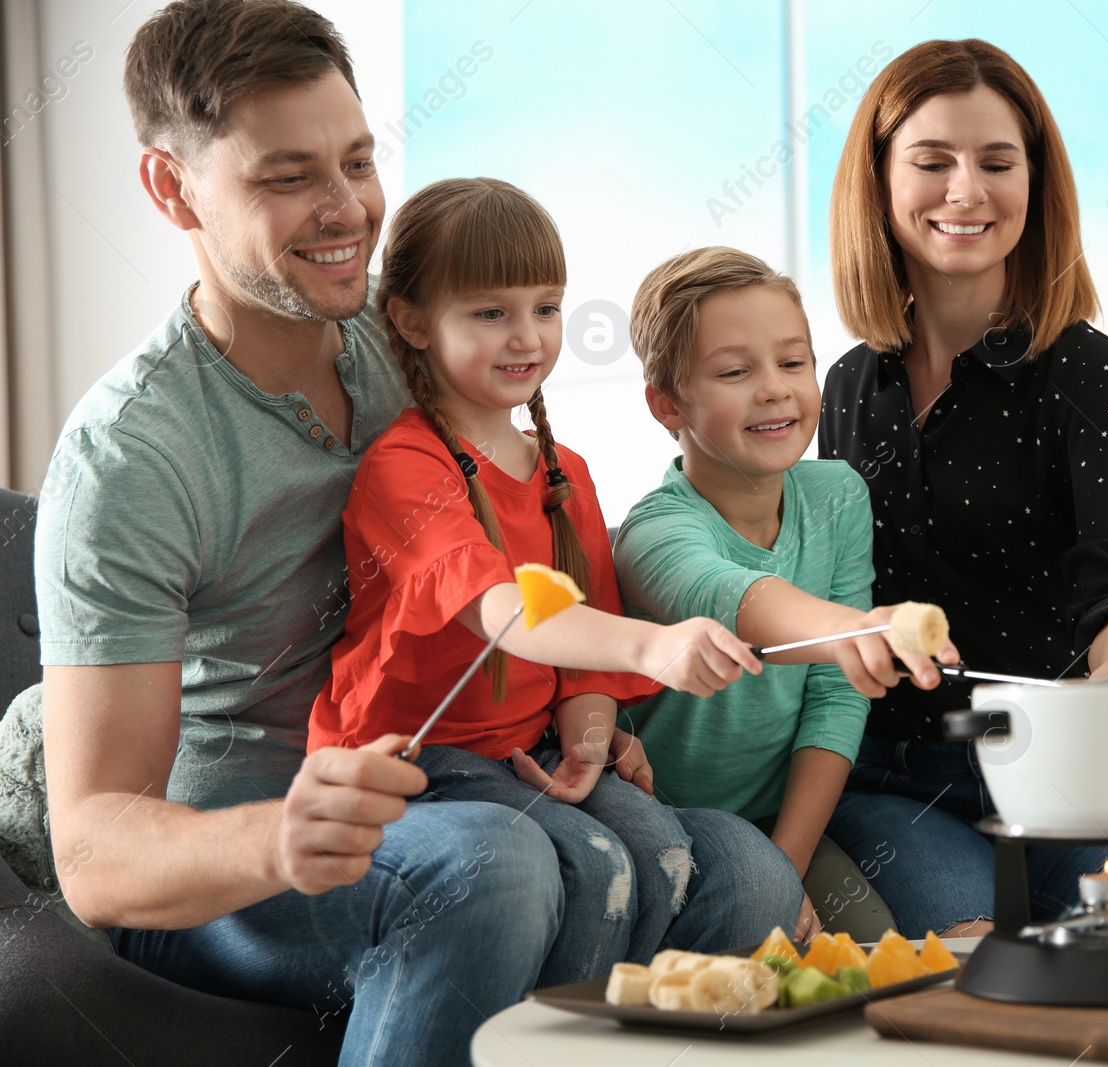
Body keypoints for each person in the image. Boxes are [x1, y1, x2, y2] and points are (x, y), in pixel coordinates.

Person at [23, 4, 695, 1063]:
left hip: (433, 779)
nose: (348, 211)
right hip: (228, 850)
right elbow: (97, 851)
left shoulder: (406, 333)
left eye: (358, 160)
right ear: (171, 187)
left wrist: (587, 692)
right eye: (288, 176)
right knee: (493, 865)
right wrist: (276, 835)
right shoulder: (131, 458)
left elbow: (538, 521)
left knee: (700, 859)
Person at [306, 179, 801, 985]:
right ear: (409, 318)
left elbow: (583, 648)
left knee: (685, 855)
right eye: (490, 312)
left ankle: (629, 1029)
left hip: (527, 749)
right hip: (419, 757)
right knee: (598, 864)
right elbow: (507, 612)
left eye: (545, 307)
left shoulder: (566, 470)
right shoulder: (406, 466)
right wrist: (656, 644)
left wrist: (591, 732)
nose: (526, 336)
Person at [818, 38, 1108, 940]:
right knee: (984, 975)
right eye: (932, 162)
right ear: (879, 182)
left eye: (998, 162)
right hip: (894, 782)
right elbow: (836, 588)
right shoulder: (843, 387)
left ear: (1034, 184)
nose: (967, 190)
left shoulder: (1093, 370)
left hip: (1069, 770)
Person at [613, 247, 956, 943]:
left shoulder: (836, 496)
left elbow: (834, 698)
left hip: (780, 823)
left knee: (874, 958)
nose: (774, 389)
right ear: (666, 402)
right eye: (736, 371)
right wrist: (852, 630)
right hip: (664, 824)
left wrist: (788, 863)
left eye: (793, 362)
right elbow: (729, 593)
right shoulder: (654, 531)